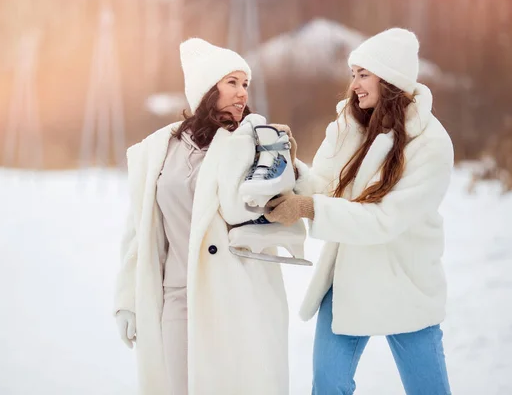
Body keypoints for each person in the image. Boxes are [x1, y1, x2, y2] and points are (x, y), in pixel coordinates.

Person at [265, 28, 454, 394]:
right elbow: (324, 185)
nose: (354, 85)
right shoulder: (348, 125)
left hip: (405, 281)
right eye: (352, 74)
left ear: (390, 78)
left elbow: (385, 219)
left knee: (428, 390)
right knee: (328, 384)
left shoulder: (431, 143)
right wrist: (291, 163)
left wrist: (307, 207)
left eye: (363, 74)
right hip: (349, 278)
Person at [113, 38, 290, 395]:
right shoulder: (160, 149)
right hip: (176, 295)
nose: (242, 93)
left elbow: (282, 194)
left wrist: (282, 157)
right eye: (232, 83)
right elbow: (140, 231)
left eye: (245, 84)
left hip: (232, 291)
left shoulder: (252, 141)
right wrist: (127, 300)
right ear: (208, 89)